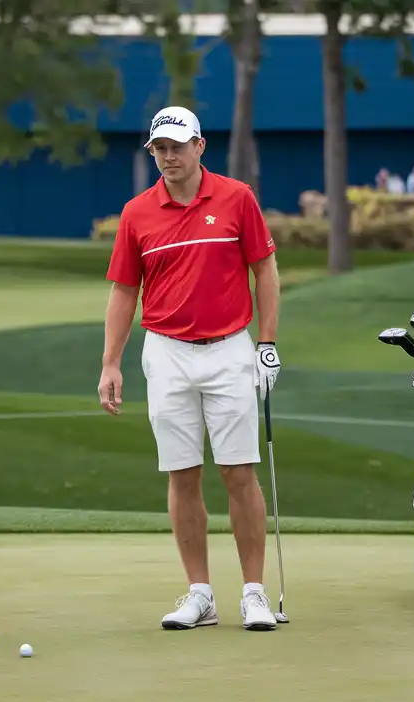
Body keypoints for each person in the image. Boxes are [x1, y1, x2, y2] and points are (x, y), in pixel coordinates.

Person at [98, 106, 282, 632]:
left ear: (200, 146)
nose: (169, 156)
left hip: (229, 349)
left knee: (238, 472)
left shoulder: (236, 198)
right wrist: (111, 362)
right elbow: (123, 291)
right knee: (182, 474)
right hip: (167, 351)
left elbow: (264, 268)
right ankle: (200, 594)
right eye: (160, 148)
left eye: (178, 146)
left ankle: (253, 592)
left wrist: (265, 344)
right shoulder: (137, 213)